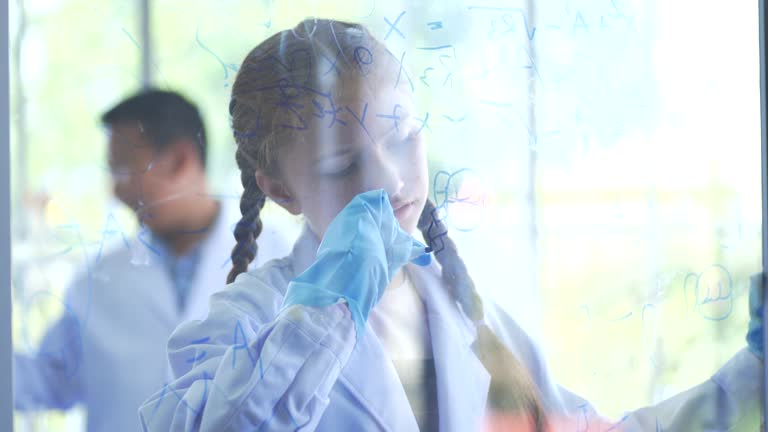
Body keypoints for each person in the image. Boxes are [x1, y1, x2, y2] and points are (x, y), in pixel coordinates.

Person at [139, 21, 762, 431]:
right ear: (279, 190)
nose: (389, 178)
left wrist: (753, 377)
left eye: (402, 133)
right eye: (343, 163)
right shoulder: (242, 321)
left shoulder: (465, 310)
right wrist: (329, 308)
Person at [13, 90, 294, 432]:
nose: (117, 192)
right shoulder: (100, 280)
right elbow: (46, 379)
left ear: (180, 159)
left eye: (124, 172)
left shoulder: (283, 260)